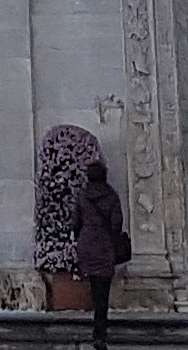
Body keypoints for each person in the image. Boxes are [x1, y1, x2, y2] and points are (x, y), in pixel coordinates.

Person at [66, 144, 129, 350]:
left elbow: (75, 223)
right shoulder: (111, 196)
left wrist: (78, 235)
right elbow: (117, 224)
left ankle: (97, 328)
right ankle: (99, 332)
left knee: (93, 288)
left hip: (87, 245)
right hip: (104, 246)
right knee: (103, 292)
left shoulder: (82, 196)